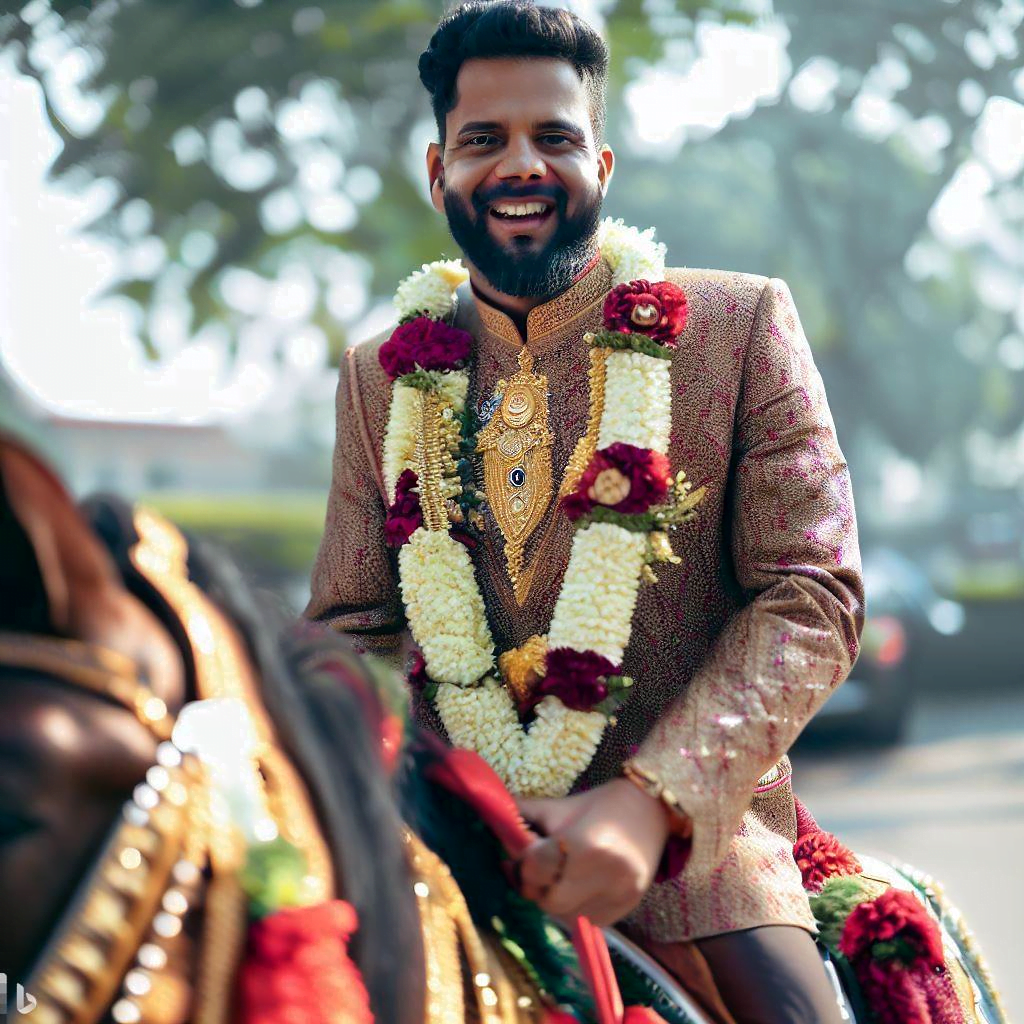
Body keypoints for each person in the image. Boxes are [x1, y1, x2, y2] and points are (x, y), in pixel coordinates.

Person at [306, 4, 863, 1021]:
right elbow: (354, 628)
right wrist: (435, 797)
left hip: (701, 851)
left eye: (552, 137)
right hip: (449, 845)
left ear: (600, 165)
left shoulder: (736, 326)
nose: (520, 164)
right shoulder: (379, 378)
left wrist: (652, 805)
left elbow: (810, 595)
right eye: (485, 140)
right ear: (438, 173)